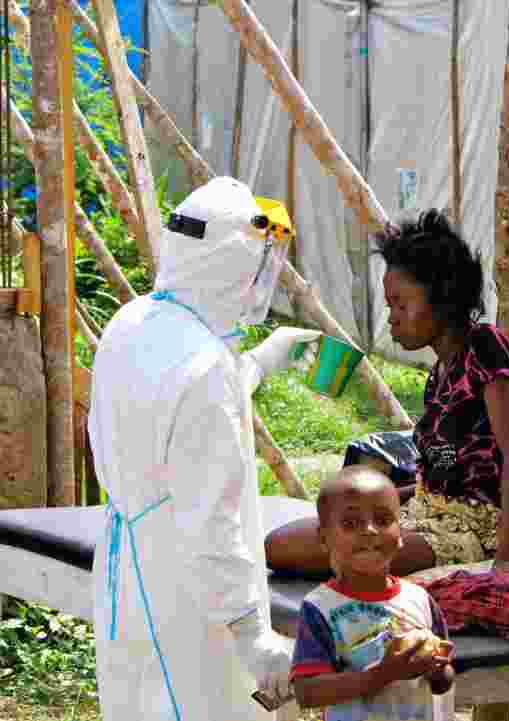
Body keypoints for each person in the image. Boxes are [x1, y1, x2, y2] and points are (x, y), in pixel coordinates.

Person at [89, 177, 322, 721]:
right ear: (232, 266)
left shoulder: (135, 321)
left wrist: (260, 361)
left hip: (128, 565)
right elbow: (211, 523)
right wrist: (251, 633)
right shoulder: (206, 371)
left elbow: (170, 404)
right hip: (187, 591)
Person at [266, 208, 509, 577]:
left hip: (482, 532)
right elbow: (438, 481)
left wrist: (506, 564)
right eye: (390, 306)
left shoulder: (484, 348)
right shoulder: (439, 375)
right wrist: (370, 503)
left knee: (312, 546)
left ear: (443, 298)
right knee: (288, 540)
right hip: (430, 516)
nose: (392, 318)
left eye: (401, 304)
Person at [290, 466, 455, 720]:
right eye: (351, 523)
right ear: (325, 538)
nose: (369, 530)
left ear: (401, 534)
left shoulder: (419, 598)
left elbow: (443, 680)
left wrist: (438, 670)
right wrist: (382, 675)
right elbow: (307, 692)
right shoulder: (320, 608)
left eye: (382, 520)